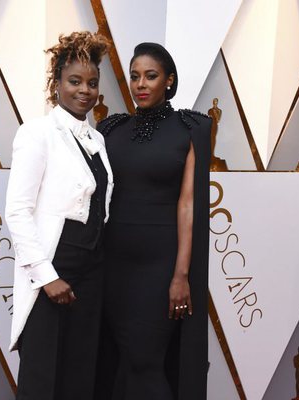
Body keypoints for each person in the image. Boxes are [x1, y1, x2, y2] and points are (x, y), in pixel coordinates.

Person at [96, 42, 211, 400]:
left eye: (150, 76)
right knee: (123, 361)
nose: (140, 84)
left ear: (169, 81)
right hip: (112, 266)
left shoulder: (192, 128)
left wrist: (181, 275)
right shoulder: (109, 128)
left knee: (147, 361)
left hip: (161, 267)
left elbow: (188, 205)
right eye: (134, 77)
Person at [5, 31, 112, 400]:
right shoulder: (37, 133)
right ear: (57, 84)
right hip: (53, 266)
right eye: (75, 81)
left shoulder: (96, 140)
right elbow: (17, 211)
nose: (85, 90)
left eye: (92, 83)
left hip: (92, 271)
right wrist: (47, 277)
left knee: (80, 375)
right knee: (42, 376)